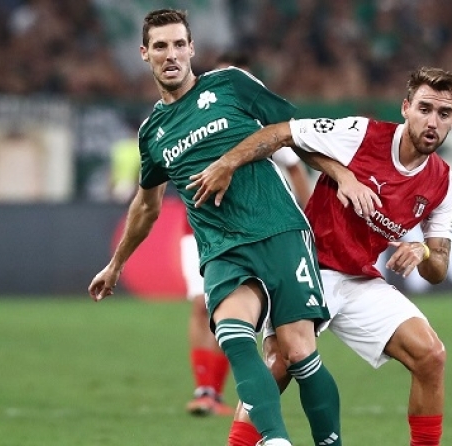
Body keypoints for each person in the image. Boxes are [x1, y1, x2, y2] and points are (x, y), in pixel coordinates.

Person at [87, 9, 341, 446]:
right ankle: (275, 440)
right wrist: (116, 264)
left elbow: (290, 130)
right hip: (221, 247)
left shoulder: (230, 84)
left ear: (191, 49)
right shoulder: (152, 132)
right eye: (160, 46)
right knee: (232, 334)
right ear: (145, 54)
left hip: (278, 229)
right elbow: (146, 205)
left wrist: (341, 177)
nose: (170, 54)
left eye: (178, 44)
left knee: (298, 352)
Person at [189, 66, 452, 446]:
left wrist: (423, 249)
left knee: (431, 355)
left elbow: (439, 267)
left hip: (359, 279)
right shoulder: (362, 134)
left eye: (443, 113)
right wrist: (341, 174)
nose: (432, 122)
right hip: (307, 265)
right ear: (406, 108)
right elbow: (284, 133)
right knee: (279, 365)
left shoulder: (444, 183)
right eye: (425, 109)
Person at [182, 50, 312, 417]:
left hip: (254, 231)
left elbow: (295, 167)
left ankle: (229, 394)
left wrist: (309, 218)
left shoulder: (257, 123)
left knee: (241, 315)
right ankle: (206, 389)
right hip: (201, 230)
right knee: (202, 306)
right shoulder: (187, 117)